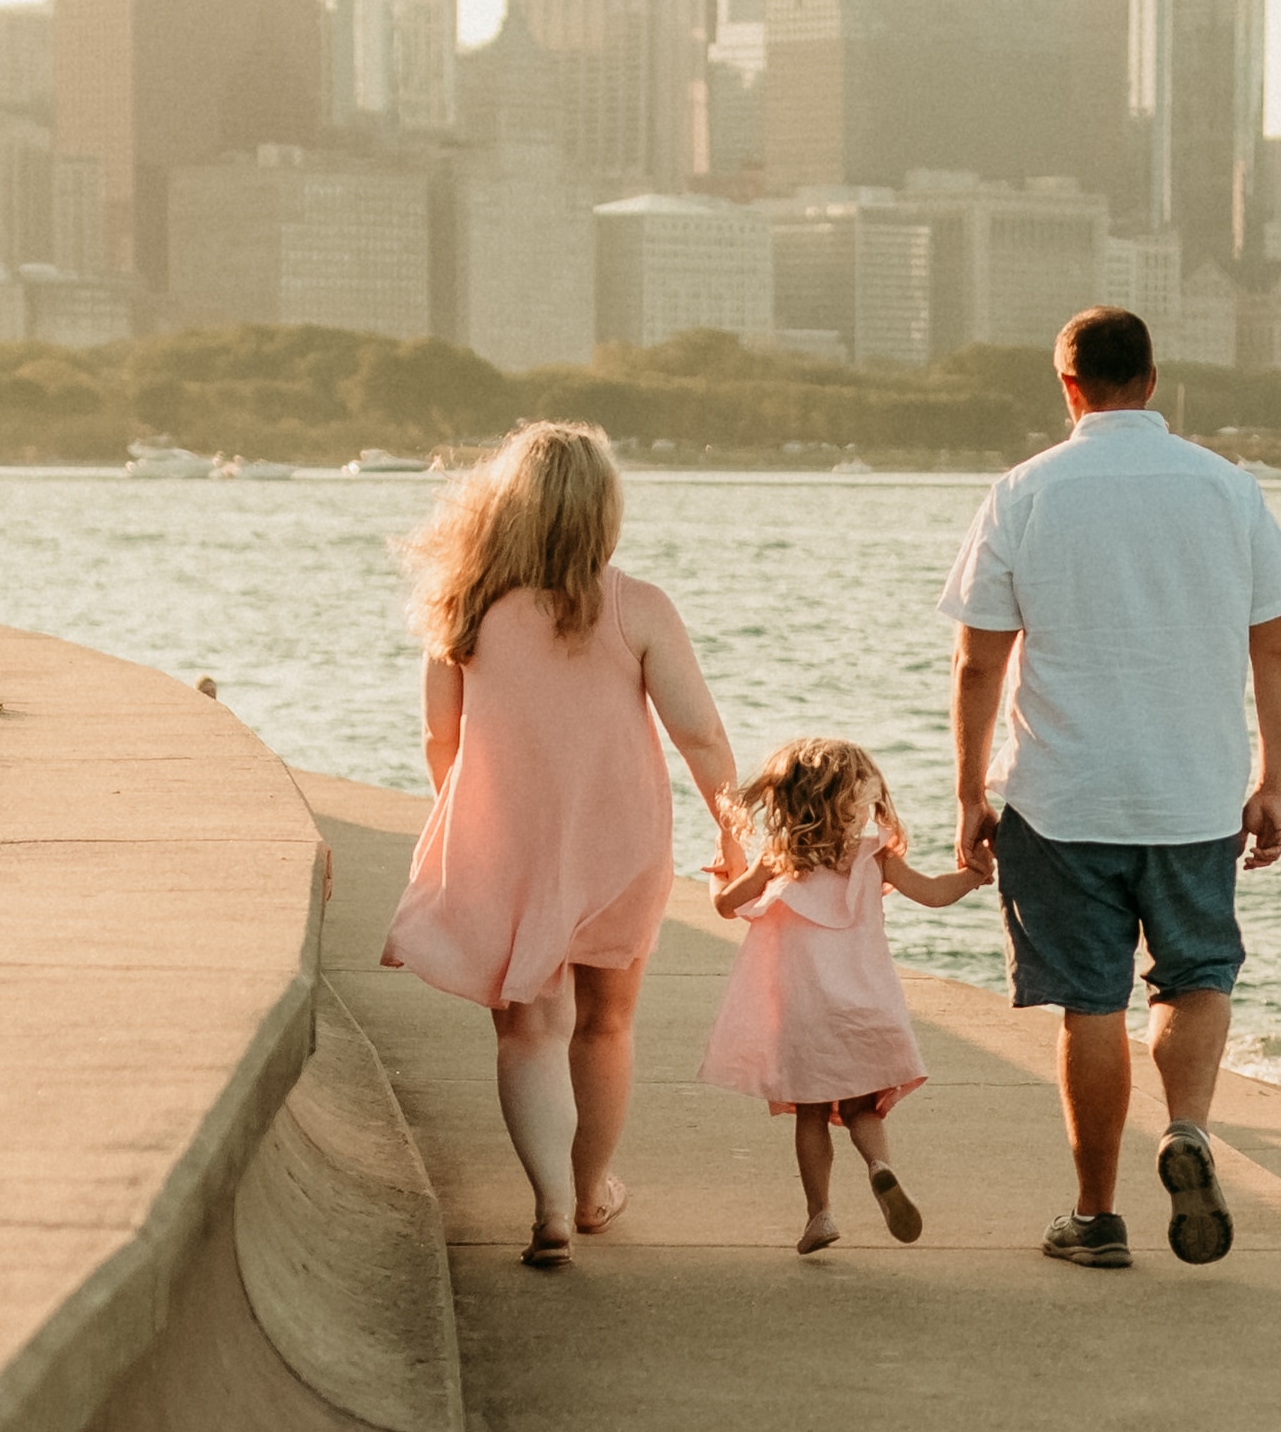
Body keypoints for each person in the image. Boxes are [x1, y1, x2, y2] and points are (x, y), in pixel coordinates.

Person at [945, 306, 1281, 1270]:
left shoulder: (1023, 493)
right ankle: (1186, 1126)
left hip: (1062, 796)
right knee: (1196, 976)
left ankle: (1096, 1218)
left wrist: (970, 792)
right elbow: (1274, 645)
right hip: (1194, 795)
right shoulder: (1229, 490)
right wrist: (1272, 779)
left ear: (1069, 386)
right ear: (1153, 380)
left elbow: (979, 662)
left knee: (1090, 1004)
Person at [382, 420, 738, 1268]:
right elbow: (702, 736)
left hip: (507, 838)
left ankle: (547, 1205)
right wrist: (734, 833)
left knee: (529, 1030)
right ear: (603, 511)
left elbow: (441, 737)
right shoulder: (635, 604)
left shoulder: (462, 607)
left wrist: (462, 814)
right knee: (606, 1026)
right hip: (620, 839)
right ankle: (588, 1191)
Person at [701, 734, 979, 1252]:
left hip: (804, 1015)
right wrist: (974, 876)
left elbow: (726, 907)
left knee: (811, 1113)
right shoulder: (875, 859)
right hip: (863, 1010)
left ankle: (820, 1215)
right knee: (861, 1109)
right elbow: (935, 895)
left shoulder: (779, 861)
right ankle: (880, 1167)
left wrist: (721, 876)